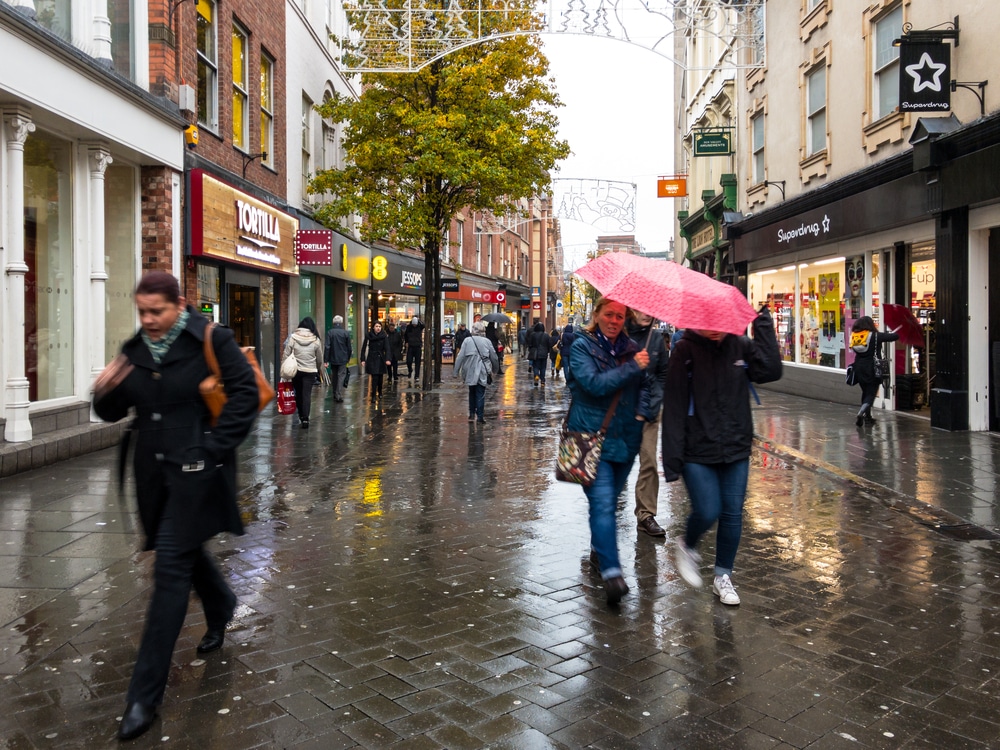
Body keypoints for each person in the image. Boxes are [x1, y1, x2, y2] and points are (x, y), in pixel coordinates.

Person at [92, 271, 259, 741]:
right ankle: (222, 602)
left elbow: (245, 395)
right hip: (153, 479)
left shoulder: (211, 338)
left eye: (157, 311)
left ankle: (143, 697)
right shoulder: (136, 348)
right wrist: (104, 388)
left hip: (197, 476)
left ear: (179, 304)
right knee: (182, 555)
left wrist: (211, 448)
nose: (148, 320)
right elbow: (111, 410)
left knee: (168, 572)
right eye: (142, 312)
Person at [662, 307, 782, 606]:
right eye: (706, 320)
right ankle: (688, 544)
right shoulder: (684, 351)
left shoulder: (740, 345)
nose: (714, 327)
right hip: (696, 449)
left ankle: (723, 576)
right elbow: (674, 407)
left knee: (732, 513)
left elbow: (771, 370)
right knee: (707, 509)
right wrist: (672, 460)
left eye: (719, 320)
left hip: (735, 446)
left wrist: (763, 324)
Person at [566, 298, 649, 604]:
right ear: (597, 314)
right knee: (601, 504)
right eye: (609, 314)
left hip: (626, 440)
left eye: (620, 315)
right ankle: (612, 574)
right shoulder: (580, 346)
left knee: (610, 503)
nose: (615, 320)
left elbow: (646, 387)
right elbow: (593, 385)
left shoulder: (632, 349)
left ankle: (600, 548)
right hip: (590, 438)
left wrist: (642, 414)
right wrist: (631, 369)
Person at [627, 312, 670, 537]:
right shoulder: (619, 332)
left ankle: (646, 514)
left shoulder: (656, 338)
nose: (645, 313)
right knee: (612, 467)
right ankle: (602, 521)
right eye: (639, 307)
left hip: (649, 412)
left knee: (650, 463)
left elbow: (663, 372)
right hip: (621, 412)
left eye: (648, 308)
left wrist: (656, 400)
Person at [850, 316, 900, 425]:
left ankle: (867, 417)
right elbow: (894, 337)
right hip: (873, 368)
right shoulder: (875, 336)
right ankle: (861, 412)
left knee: (865, 391)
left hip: (858, 367)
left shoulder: (854, 336)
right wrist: (897, 330)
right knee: (871, 393)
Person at [454, 321, 498, 424]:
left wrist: (456, 372)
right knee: (480, 392)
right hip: (483, 370)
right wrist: (495, 369)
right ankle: (480, 416)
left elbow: (460, 357)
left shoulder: (467, 341)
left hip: (469, 370)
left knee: (472, 391)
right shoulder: (487, 341)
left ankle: (471, 414)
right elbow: (494, 357)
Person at [283, 317, 323, 428]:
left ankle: (301, 414)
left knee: (299, 393)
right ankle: (305, 418)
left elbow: (286, 353)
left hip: (296, 370)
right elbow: (319, 358)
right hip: (310, 371)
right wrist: (318, 368)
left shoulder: (293, 338)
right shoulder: (316, 339)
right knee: (306, 394)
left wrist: (284, 368)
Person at [361, 320, 391, 403]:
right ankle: (373, 395)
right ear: (373, 327)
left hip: (381, 357)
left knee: (380, 377)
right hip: (372, 357)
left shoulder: (384, 336)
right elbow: (363, 348)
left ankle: (380, 391)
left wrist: (388, 359)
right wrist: (362, 359)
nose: (378, 328)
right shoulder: (369, 336)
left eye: (379, 327)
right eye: (377, 326)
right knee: (374, 377)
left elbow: (387, 348)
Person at [324, 315, 353, 403]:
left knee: (335, 375)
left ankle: (334, 393)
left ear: (333, 322)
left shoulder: (330, 332)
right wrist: (348, 358)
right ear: (341, 322)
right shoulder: (345, 333)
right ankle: (338, 394)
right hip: (343, 358)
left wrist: (326, 360)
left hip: (333, 357)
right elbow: (349, 347)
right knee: (341, 376)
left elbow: (327, 346)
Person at [527, 322, 551, 387]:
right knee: (543, 367)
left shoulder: (533, 335)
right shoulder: (546, 335)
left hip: (536, 353)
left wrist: (531, 349)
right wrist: (548, 351)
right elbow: (549, 344)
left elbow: (530, 344)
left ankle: (536, 375)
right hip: (544, 353)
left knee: (536, 366)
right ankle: (542, 381)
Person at [403, 315, 425, 380]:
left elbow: (424, 325)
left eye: (415, 324)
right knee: (408, 361)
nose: (414, 325)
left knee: (417, 362)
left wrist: (419, 321)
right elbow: (406, 335)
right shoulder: (409, 327)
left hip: (418, 346)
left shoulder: (420, 326)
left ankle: (417, 376)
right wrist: (406, 342)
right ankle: (410, 370)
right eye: (413, 324)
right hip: (411, 346)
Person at [385, 319, 404, 384]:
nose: (391, 329)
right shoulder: (386, 334)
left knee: (395, 365)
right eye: (390, 328)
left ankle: (395, 375)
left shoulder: (397, 334)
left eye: (392, 328)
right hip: (389, 352)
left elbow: (400, 343)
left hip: (395, 351)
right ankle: (390, 376)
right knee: (389, 365)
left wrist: (399, 350)